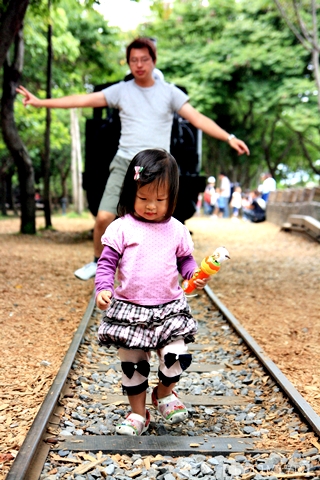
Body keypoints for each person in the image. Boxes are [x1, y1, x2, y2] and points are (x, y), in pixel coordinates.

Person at [17, 37, 250, 281]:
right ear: (128, 63)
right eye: (133, 60)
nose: (139, 65)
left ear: (154, 61)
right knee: (105, 217)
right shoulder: (121, 91)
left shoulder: (170, 93)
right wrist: (39, 102)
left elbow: (197, 118)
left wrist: (229, 137)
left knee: (162, 220)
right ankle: (99, 263)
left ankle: (164, 270)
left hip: (158, 167)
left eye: (144, 59)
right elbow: (82, 100)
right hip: (126, 163)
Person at [95, 149, 208, 436]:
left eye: (160, 200)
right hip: (129, 308)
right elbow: (106, 263)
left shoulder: (177, 230)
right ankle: (137, 413)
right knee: (133, 365)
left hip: (169, 307)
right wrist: (103, 288)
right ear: (130, 192)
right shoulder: (121, 228)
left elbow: (185, 260)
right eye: (143, 198)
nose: (151, 206)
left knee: (176, 357)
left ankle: (163, 393)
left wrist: (192, 274)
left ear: (172, 197)